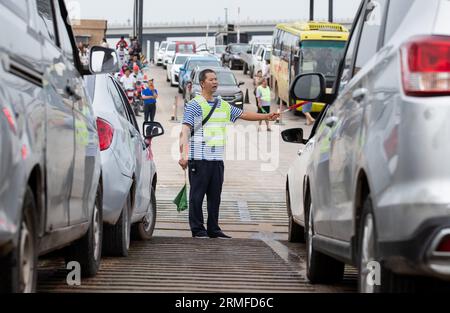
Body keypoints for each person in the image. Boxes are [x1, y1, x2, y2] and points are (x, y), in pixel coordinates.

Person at [178, 69, 279, 239]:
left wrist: (267, 116)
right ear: (203, 83)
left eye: (216, 79)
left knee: (215, 197)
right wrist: (183, 155)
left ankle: (213, 229)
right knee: (197, 196)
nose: (215, 82)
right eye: (211, 79)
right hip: (199, 159)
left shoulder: (221, 104)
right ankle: (198, 230)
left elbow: (244, 114)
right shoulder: (194, 105)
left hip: (217, 159)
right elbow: (185, 130)